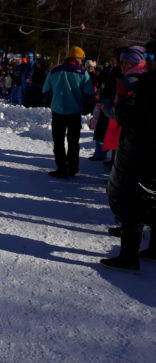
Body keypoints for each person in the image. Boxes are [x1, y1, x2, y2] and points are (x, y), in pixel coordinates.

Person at [100, 44, 154, 272]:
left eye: (151, 57)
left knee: (134, 200)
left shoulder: (147, 83)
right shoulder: (147, 80)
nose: (148, 61)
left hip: (142, 149)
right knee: (151, 196)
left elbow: (135, 119)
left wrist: (119, 101)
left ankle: (129, 257)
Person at [41, 46, 96, 179]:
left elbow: (45, 90)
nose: (82, 62)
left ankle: (61, 169)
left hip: (58, 111)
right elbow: (90, 92)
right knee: (73, 141)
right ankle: (72, 167)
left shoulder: (54, 71)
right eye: (81, 59)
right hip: (74, 112)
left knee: (58, 141)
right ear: (76, 58)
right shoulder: (83, 73)